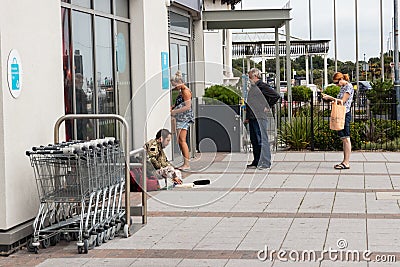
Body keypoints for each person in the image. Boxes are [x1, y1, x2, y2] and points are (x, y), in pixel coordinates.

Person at [245, 68, 281, 170]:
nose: (249, 78)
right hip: (253, 117)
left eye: (250, 76)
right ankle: (257, 161)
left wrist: (267, 106)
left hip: (259, 116)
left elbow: (275, 95)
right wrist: (248, 117)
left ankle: (265, 162)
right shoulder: (253, 87)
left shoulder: (262, 86)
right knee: (255, 140)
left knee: (261, 139)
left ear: (255, 76)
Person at [322, 72, 354, 169]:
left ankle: (346, 162)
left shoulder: (348, 87)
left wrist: (329, 97)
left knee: (346, 138)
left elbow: (342, 101)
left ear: (341, 79)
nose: (336, 85)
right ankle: (344, 161)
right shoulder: (343, 88)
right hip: (341, 114)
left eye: (336, 83)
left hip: (345, 114)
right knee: (343, 138)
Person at [170, 71, 194, 171]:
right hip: (182, 118)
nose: (174, 88)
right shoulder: (182, 91)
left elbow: (187, 107)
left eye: (174, 85)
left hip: (183, 118)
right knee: (181, 141)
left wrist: (174, 111)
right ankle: (186, 163)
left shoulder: (185, 91)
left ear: (179, 82)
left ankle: (186, 163)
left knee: (182, 140)